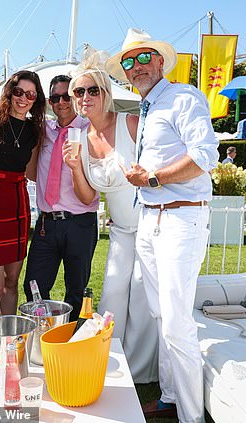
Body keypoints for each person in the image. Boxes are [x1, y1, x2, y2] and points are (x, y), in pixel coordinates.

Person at [106, 28, 218, 422]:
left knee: (174, 322)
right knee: (159, 314)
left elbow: (205, 155)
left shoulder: (183, 97)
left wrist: (153, 179)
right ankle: (171, 397)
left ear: (159, 61)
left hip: (180, 216)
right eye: (128, 61)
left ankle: (191, 416)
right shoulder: (148, 107)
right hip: (151, 219)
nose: (135, 67)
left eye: (142, 58)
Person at [63, 48, 158, 383]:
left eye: (93, 90)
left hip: (149, 225)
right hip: (119, 230)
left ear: (105, 93)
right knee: (114, 295)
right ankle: (110, 363)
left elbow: (155, 169)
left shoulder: (131, 123)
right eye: (79, 91)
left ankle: (143, 372)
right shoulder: (80, 139)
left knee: (144, 298)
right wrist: (75, 168)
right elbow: (89, 196)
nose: (85, 97)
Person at [23, 74, 98, 322]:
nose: (62, 102)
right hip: (47, 223)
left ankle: (70, 346)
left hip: (80, 222)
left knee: (76, 292)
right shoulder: (43, 130)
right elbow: (32, 172)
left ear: (76, 97)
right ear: (49, 101)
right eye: (55, 97)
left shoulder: (90, 131)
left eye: (67, 96)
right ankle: (42, 339)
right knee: (33, 285)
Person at [0, 71, 46, 318]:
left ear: (36, 98)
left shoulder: (34, 130)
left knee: (11, 282)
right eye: (19, 92)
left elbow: (33, 171)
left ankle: (10, 339)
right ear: (10, 92)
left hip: (18, 204)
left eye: (30, 94)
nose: (23, 99)